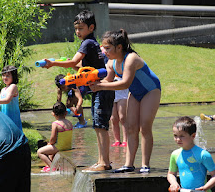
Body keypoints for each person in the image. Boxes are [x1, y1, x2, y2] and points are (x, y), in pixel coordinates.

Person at [43, 10, 115, 172]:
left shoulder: (87, 43)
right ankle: (101, 161)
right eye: (76, 28)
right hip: (101, 89)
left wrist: (53, 64)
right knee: (98, 126)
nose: (77, 32)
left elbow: (75, 61)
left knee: (100, 126)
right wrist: (66, 63)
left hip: (102, 89)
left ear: (91, 27)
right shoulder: (93, 43)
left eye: (81, 28)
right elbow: (81, 68)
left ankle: (105, 163)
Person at [90, 29, 161, 173]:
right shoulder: (112, 62)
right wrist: (89, 82)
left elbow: (125, 83)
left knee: (144, 127)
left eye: (107, 48)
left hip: (151, 91)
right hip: (135, 93)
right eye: (104, 47)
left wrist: (100, 86)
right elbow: (107, 80)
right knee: (130, 128)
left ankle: (145, 165)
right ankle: (128, 164)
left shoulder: (131, 58)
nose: (104, 51)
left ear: (119, 47)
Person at [168, 116, 215, 192]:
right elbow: (171, 174)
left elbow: (214, 175)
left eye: (182, 136)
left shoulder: (203, 155)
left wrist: (205, 187)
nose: (178, 139)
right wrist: (174, 183)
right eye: (175, 136)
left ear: (193, 136)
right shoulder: (175, 154)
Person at [37, 101, 73, 172]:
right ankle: (54, 165)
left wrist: (49, 143)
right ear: (66, 113)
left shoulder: (55, 124)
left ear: (53, 114)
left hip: (60, 147)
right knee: (51, 153)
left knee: (40, 152)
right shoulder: (69, 122)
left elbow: (53, 139)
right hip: (68, 146)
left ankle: (52, 167)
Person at [0, 66, 22, 131]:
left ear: (13, 77)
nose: (5, 78)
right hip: (5, 117)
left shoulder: (13, 86)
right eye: (3, 75)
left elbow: (7, 100)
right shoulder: (3, 90)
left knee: (14, 134)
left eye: (7, 76)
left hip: (13, 117)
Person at [110, 76, 129, 147]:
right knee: (113, 118)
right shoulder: (107, 66)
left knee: (122, 117)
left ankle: (125, 140)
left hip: (122, 94)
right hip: (111, 94)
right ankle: (117, 140)